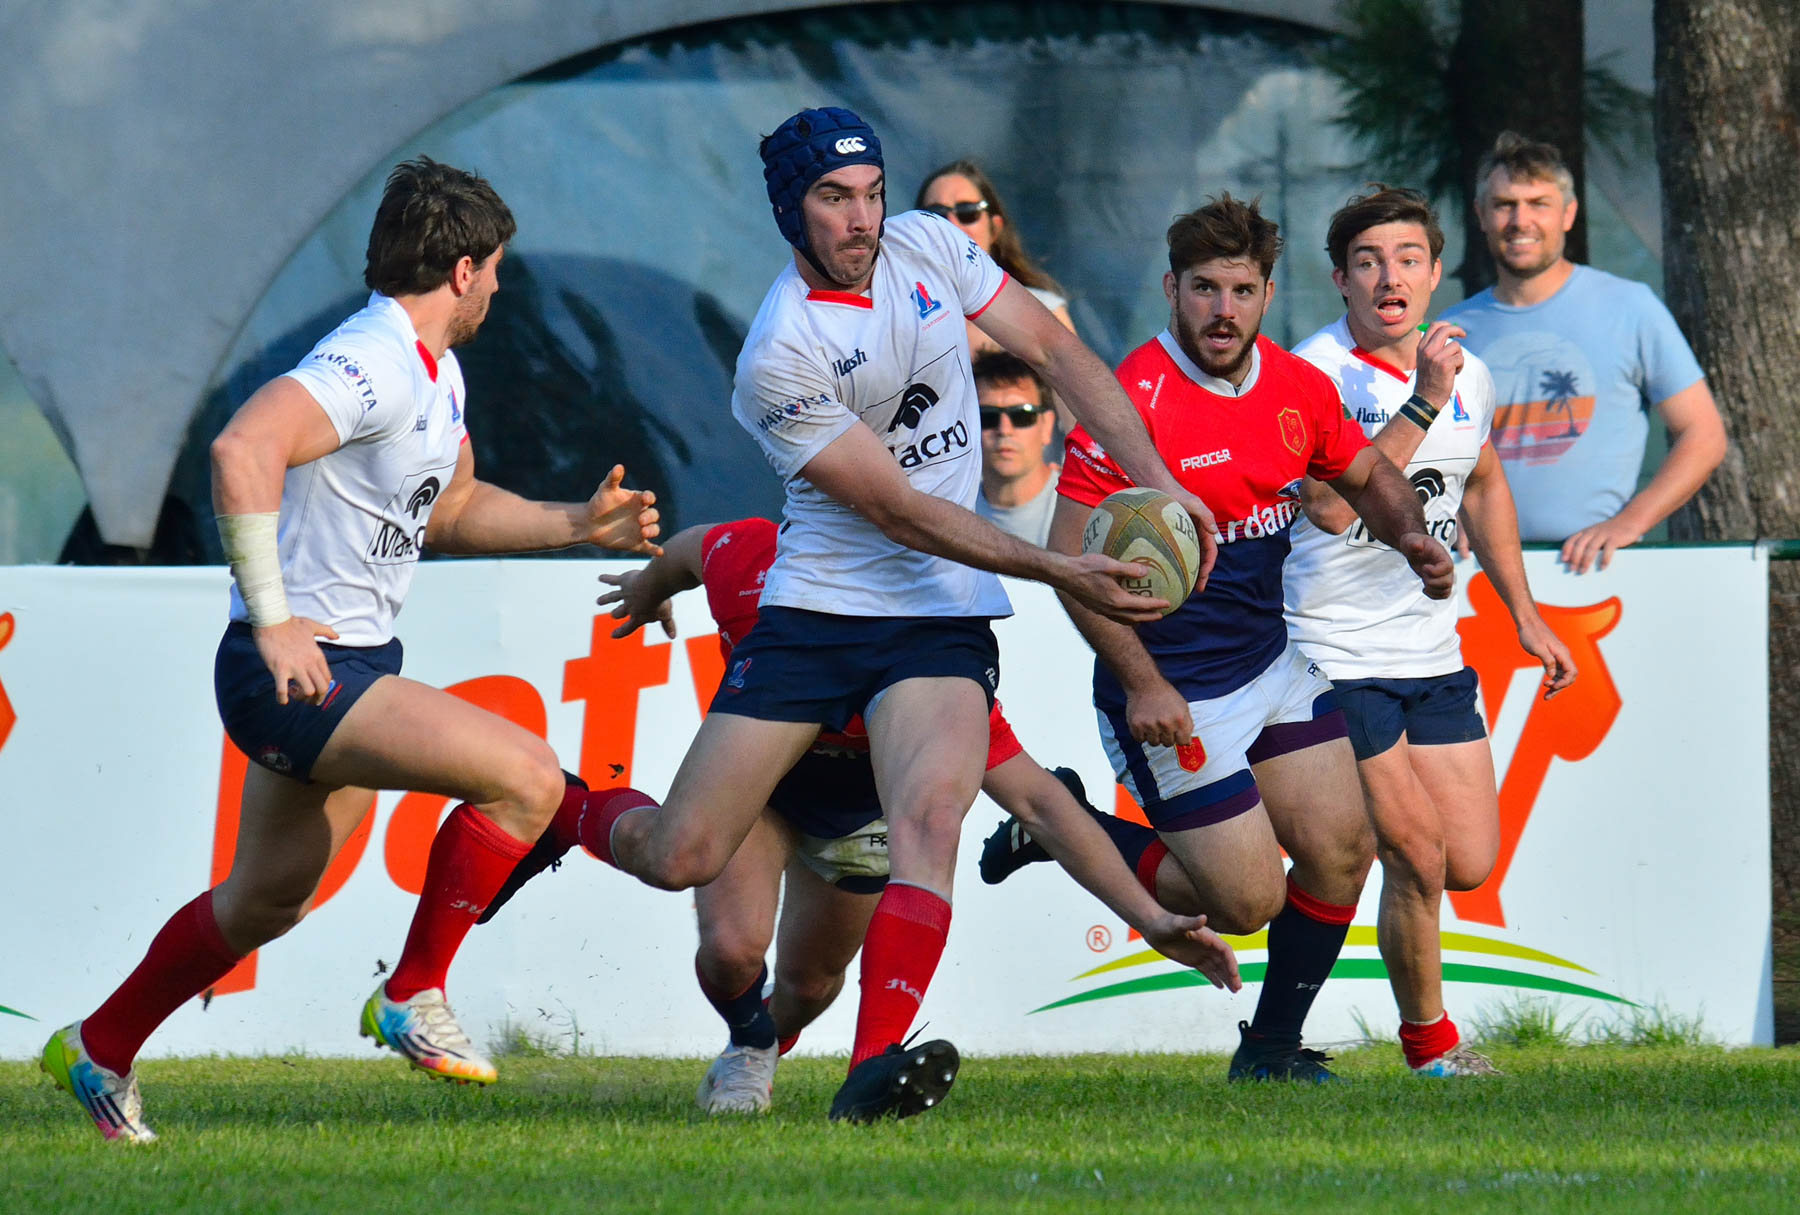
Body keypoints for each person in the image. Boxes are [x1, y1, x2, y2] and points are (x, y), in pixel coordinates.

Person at [532, 106, 1223, 1124]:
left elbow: (1058, 352)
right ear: (791, 211)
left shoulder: (932, 245)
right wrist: (1057, 569)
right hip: (820, 613)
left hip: (937, 615)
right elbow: (899, 511)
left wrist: (1161, 481)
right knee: (681, 855)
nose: (862, 220)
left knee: (930, 822)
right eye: (833, 199)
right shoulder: (779, 351)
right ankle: (564, 810)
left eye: (871, 194)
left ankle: (871, 1068)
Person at [39, 157, 661, 1143]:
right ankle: (413, 992)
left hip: (347, 664)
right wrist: (274, 616)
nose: (499, 288)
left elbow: (451, 509)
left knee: (264, 901)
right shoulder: (373, 358)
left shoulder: (436, 371)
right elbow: (242, 449)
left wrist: (578, 523)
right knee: (528, 776)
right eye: (496, 269)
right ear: (463, 269)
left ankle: (98, 1045)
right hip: (294, 669)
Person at [479, 517, 1237, 1116]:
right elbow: (690, 551)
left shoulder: (931, 659)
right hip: (764, 791)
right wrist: (649, 589)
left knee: (810, 987)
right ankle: (576, 821)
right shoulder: (754, 559)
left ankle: (796, 1051)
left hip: (859, 816)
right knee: (729, 945)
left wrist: (1148, 916)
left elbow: (1041, 801)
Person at [1041, 193, 1455, 1083]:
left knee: (1343, 849)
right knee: (1244, 902)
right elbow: (1068, 560)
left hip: (1270, 663)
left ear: (1269, 292)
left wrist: (1410, 534)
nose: (1222, 310)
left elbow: (1368, 473)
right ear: (1171, 289)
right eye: (1203, 288)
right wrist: (1144, 682)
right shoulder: (1131, 401)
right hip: (1173, 689)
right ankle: (1063, 823)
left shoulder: (1296, 388)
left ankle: (1269, 1050)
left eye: (1240, 290)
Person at [1284, 186, 1577, 1074]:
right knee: (1412, 849)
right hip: (1333, 653)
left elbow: (1482, 481)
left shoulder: (1466, 372)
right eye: (1368, 262)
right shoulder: (1313, 375)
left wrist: (1525, 613)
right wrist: (1421, 403)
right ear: (1340, 278)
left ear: (1436, 271)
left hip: (1431, 651)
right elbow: (1333, 508)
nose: (1390, 278)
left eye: (1408, 259)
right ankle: (1431, 1046)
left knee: (1466, 861)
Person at [1442, 132, 1726, 572]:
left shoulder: (1631, 307)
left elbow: (1703, 435)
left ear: (1569, 213)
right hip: (1476, 571)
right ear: (1480, 214)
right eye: (1504, 205)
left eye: (1538, 203)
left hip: (1595, 572)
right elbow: (1427, 451)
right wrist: (1450, 512)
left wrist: (1631, 522)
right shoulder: (1452, 329)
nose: (1520, 220)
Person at [916, 159, 1077, 354]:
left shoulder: (1044, 313)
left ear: (995, 229)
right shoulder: (896, 315)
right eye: (935, 216)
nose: (952, 226)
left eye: (968, 212)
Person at [974, 351, 1061, 545]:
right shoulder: (951, 508)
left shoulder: (1083, 508)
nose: (1004, 430)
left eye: (1022, 415)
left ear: (1047, 426)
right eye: (987, 416)